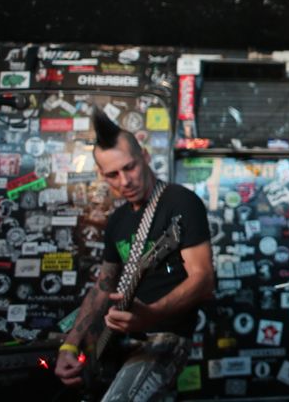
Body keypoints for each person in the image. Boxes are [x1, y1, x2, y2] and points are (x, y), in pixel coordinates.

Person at [55, 110, 213, 401]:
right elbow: (104, 286)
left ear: (145, 157)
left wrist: (152, 314)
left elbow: (203, 280)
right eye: (113, 175)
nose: (125, 181)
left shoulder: (179, 201)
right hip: (116, 339)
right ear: (102, 175)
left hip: (165, 335)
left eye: (130, 167)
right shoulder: (117, 220)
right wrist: (71, 344)